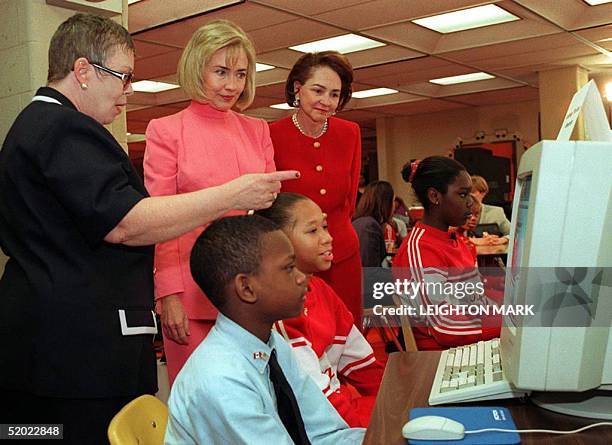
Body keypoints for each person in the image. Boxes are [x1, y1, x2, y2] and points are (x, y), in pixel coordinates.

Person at [0, 14, 296, 444]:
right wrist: (231, 195)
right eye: (122, 77)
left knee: (34, 434)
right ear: (83, 71)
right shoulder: (62, 128)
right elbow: (125, 222)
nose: (128, 91)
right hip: (71, 353)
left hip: (49, 344)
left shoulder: (39, 125)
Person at [143, 20, 279, 385]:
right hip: (191, 289)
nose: (232, 85)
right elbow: (159, 218)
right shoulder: (166, 130)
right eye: (220, 72)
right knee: (200, 401)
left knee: (256, 397)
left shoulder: (258, 130)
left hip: (252, 289)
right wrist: (168, 294)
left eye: (240, 73)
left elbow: (266, 214)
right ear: (196, 69)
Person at [166, 215, 366, 444]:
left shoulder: (271, 343)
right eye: (289, 268)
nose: (302, 278)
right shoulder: (222, 381)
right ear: (247, 288)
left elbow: (323, 434)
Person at [257, 193, 384, 428]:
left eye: (325, 227)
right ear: (277, 241)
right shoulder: (280, 309)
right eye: (313, 231)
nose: (328, 238)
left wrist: (395, 401)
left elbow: (362, 365)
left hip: (339, 414)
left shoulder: (321, 289)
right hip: (324, 426)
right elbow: (314, 402)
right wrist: (374, 430)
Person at [270, 51, 363, 327]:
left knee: (349, 332)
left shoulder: (350, 132)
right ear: (298, 89)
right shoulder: (271, 134)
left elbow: (349, 199)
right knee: (304, 336)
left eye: (335, 94)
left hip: (342, 254)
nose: (326, 101)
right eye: (318, 90)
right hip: (293, 259)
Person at [393, 157, 501, 350]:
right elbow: (447, 328)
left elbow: (474, 299)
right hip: (442, 357)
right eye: (462, 194)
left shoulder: (455, 239)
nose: (470, 203)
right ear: (434, 196)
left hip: (470, 342)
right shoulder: (421, 249)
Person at [352, 181, 395, 268]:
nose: (394, 206)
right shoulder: (368, 226)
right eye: (393, 201)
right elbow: (370, 270)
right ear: (385, 203)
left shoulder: (365, 223)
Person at [470, 175, 510, 244]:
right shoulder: (455, 213)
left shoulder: (496, 212)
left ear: (483, 193)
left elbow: (514, 234)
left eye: (472, 192)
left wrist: (502, 240)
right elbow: (449, 237)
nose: (469, 196)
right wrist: (473, 241)